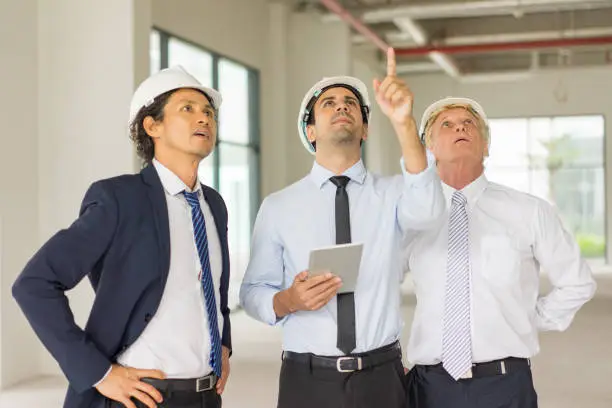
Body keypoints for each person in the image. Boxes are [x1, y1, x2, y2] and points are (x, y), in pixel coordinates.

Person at [12, 66, 232, 408]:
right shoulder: (119, 199)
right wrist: (97, 372)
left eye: (208, 112)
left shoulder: (213, 205)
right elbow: (34, 283)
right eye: (187, 108)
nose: (203, 118)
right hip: (139, 397)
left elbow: (214, 290)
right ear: (152, 125)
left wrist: (223, 344)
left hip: (205, 397)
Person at [239, 48, 444, 408]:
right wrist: (288, 300)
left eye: (351, 103)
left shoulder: (394, 193)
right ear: (311, 129)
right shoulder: (278, 207)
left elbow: (428, 211)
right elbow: (253, 291)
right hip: (307, 379)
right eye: (329, 103)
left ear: (365, 128)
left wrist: (404, 123)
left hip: (381, 376)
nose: (341, 107)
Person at [403, 96, 597, 408]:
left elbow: (577, 283)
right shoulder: (410, 215)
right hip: (430, 388)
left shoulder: (530, 211)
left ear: (487, 147)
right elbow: (379, 283)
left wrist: (527, 319)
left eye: (470, 124)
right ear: (428, 149)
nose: (460, 128)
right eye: (447, 125)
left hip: (505, 386)